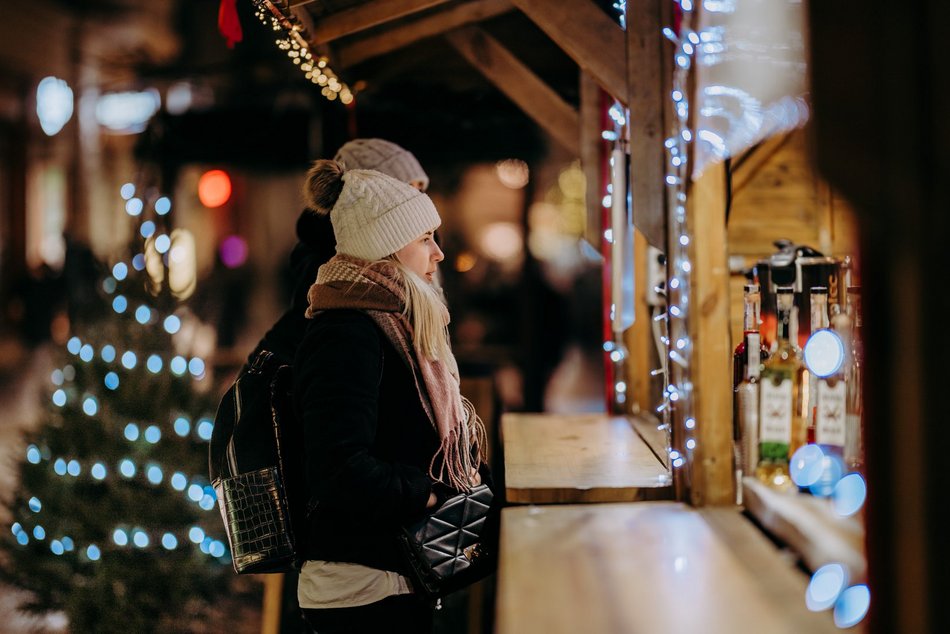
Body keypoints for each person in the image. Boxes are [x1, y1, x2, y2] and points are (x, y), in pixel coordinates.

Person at [293, 161, 490, 633]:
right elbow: (338, 468)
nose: (438, 253)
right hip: (361, 590)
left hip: (394, 576)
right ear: (386, 247)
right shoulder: (346, 333)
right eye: (424, 238)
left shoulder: (393, 322)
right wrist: (427, 493)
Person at [249, 138, 430, 366]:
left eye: (422, 189)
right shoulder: (335, 278)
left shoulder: (411, 260)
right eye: (411, 189)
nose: (420, 200)